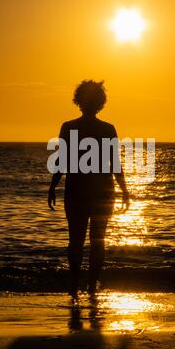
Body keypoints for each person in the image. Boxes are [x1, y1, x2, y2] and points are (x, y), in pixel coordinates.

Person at [48, 80, 129, 298]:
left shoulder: (69, 127)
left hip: (76, 190)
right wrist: (124, 190)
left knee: (75, 239)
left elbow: (61, 162)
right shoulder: (107, 129)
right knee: (98, 239)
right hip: (102, 191)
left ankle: (75, 284)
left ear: (79, 101)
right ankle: (92, 285)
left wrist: (53, 186)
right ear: (100, 102)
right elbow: (115, 163)